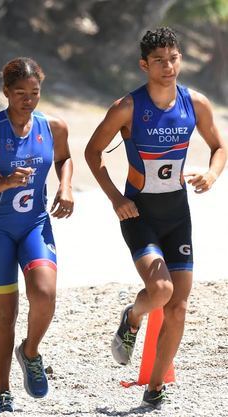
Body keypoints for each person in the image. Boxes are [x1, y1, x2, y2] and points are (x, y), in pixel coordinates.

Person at [85, 27, 226, 409]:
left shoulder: (195, 103)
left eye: (173, 58)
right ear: (144, 65)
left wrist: (212, 174)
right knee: (161, 291)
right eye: (159, 60)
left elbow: (219, 146)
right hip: (139, 213)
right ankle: (132, 317)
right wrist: (116, 199)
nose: (168, 66)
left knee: (179, 307)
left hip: (178, 213)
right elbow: (92, 152)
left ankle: (155, 386)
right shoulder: (127, 107)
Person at [0, 57, 73, 413]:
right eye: (20, 94)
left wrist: (66, 187)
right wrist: (4, 182)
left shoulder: (53, 126)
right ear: (6, 93)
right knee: (5, 314)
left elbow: (64, 158)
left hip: (35, 224)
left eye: (35, 93)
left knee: (44, 294)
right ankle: (2, 390)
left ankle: (29, 352)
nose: (28, 100)